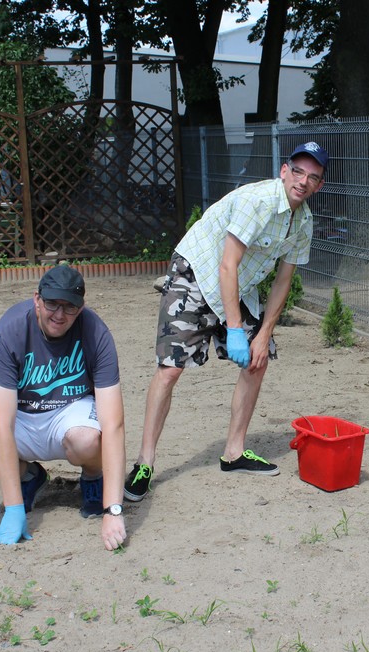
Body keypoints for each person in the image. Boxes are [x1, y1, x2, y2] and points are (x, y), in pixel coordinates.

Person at [123, 142, 328, 502]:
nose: (303, 181)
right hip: (197, 273)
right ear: (284, 171)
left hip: (238, 285)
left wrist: (262, 335)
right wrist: (234, 330)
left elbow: (283, 282)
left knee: (257, 360)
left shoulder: (303, 223)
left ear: (319, 185)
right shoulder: (257, 201)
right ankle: (144, 463)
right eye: (298, 171)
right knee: (170, 369)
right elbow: (226, 265)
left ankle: (234, 452)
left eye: (312, 177)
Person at [0, 265, 128, 549]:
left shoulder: (97, 333)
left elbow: (114, 423)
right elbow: (3, 425)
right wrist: (13, 507)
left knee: (88, 440)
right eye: (52, 304)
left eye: (69, 307)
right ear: (37, 299)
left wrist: (113, 510)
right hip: (20, 412)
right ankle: (29, 476)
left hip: (70, 409)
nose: (59, 314)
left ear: (81, 308)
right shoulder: (11, 329)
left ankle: (94, 477)